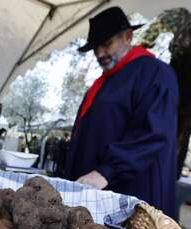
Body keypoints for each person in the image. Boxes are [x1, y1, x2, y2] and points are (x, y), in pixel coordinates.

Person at [64, 7, 179, 218]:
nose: (99, 54)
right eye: (95, 48)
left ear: (127, 37)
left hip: (132, 199)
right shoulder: (102, 83)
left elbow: (154, 133)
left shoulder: (155, 73)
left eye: (106, 44)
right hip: (94, 199)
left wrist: (107, 170)